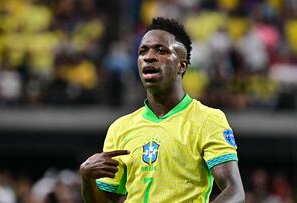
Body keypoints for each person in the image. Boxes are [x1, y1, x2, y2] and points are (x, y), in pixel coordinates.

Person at [80, 17, 245, 203]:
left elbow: (234, 192)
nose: (149, 56)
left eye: (161, 50)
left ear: (181, 66)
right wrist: (87, 179)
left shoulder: (207, 119)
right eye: (143, 51)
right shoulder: (120, 128)